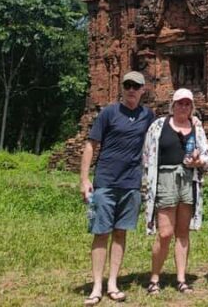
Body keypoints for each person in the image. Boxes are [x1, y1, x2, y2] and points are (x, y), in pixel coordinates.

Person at [80, 71, 155, 306]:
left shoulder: (148, 116)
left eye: (136, 86)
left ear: (143, 90)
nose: (131, 89)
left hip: (131, 183)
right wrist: (84, 179)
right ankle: (96, 286)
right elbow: (91, 145)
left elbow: (161, 138)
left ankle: (112, 282)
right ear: (122, 88)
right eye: (128, 85)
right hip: (106, 181)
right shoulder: (109, 112)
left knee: (121, 232)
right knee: (101, 232)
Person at [141, 88, 208, 294]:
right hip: (165, 179)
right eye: (180, 103)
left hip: (188, 179)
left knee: (182, 232)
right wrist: (145, 183)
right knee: (165, 233)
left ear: (192, 107)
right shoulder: (158, 126)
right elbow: (147, 155)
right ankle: (154, 278)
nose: (183, 107)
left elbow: (207, 156)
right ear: (173, 105)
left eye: (187, 103)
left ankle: (181, 279)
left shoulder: (197, 128)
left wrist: (199, 161)